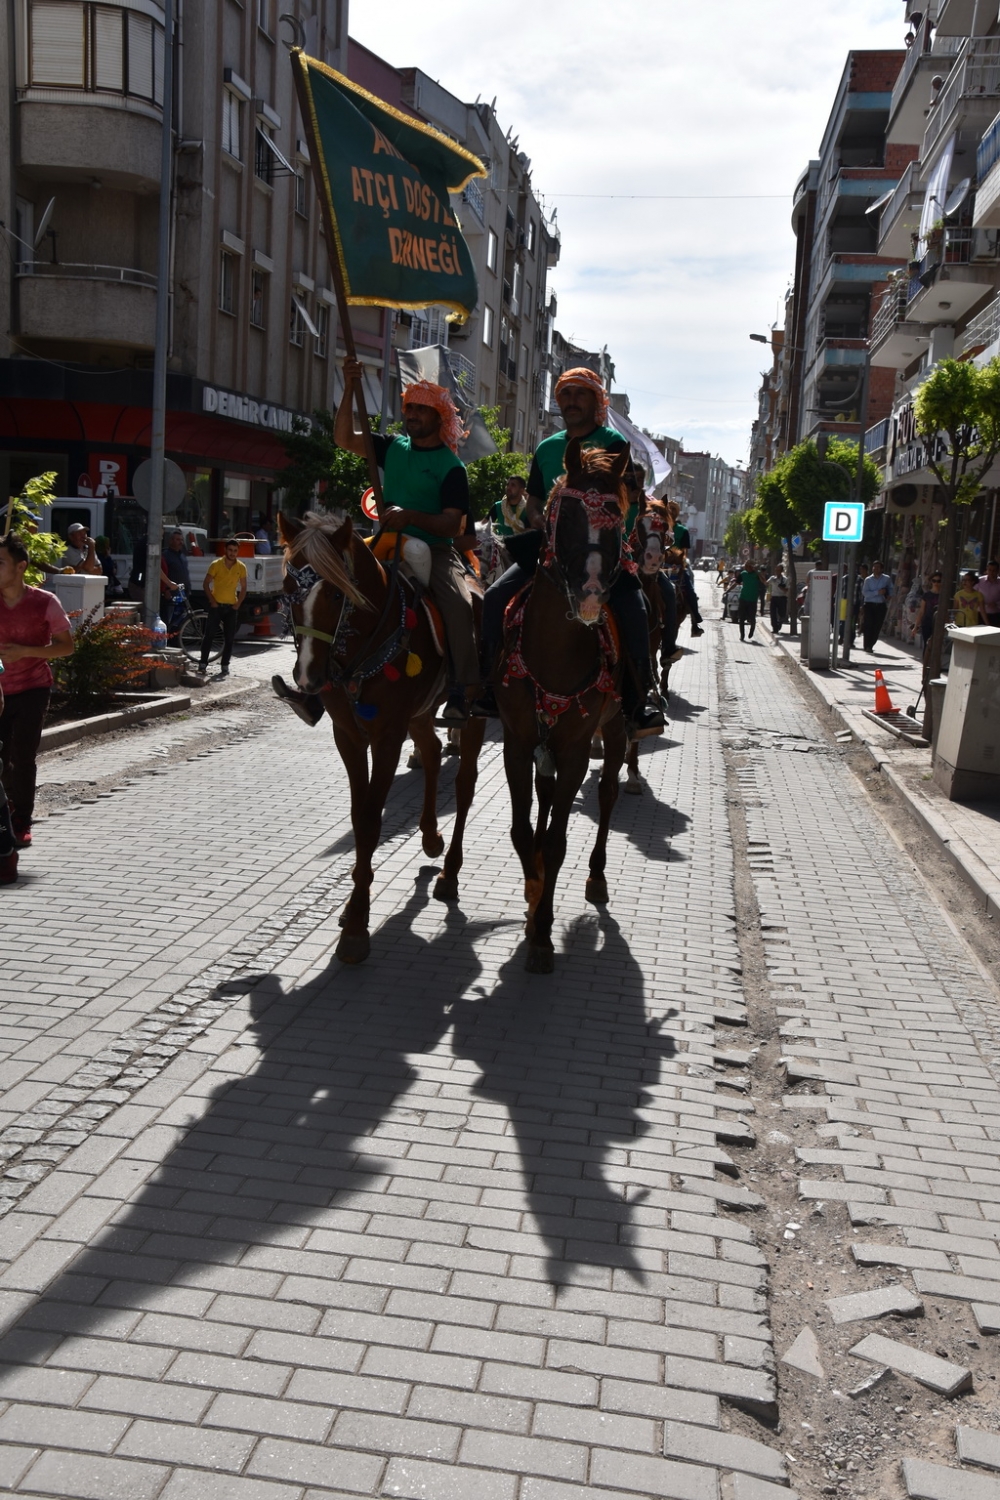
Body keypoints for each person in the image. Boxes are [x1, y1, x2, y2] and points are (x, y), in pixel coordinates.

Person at [472, 367, 663, 735]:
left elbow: (629, 503)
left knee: (635, 608)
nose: (571, 401)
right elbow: (534, 501)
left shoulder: (614, 445)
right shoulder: (546, 448)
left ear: (596, 401)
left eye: (581, 394)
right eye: (565, 394)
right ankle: (487, 687)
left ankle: (642, 698)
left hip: (603, 554)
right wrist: (539, 519)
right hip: (550, 551)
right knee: (495, 596)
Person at [336, 358, 478, 723]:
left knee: (461, 606)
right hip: (384, 542)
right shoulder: (392, 446)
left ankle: (462, 689)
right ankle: (319, 682)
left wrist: (411, 516)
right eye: (409, 407)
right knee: (328, 587)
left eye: (421, 409)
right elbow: (343, 439)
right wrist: (351, 386)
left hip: (434, 550)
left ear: (439, 417)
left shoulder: (452, 467)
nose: (412, 414)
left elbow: (451, 525)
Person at [0, 532, 74, 850]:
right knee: (1, 759)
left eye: (0, 562)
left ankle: (21, 821)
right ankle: (6, 812)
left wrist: (24, 652)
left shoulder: (44, 602)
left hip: (33, 687)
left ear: (20, 567)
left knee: (23, 755)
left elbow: (66, 647)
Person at [199, 538, 247, 678]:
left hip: (231, 607)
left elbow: (244, 587)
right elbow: (205, 584)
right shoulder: (216, 564)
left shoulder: (241, 567)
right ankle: (203, 663)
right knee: (209, 636)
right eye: (230, 550)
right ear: (225, 550)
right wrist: (212, 601)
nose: (232, 553)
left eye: (235, 551)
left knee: (230, 638)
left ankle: (225, 666)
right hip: (216, 606)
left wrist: (238, 604)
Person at [160, 529, 191, 641]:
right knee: (168, 620)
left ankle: (174, 640)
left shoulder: (182, 555)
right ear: (171, 541)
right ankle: (166, 640)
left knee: (179, 620)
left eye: (181, 540)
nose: (180, 542)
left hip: (182, 593)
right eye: (177, 540)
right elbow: (163, 574)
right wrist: (166, 590)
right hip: (170, 594)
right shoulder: (165, 556)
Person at [861, 559, 892, 652]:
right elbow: (865, 593)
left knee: (877, 626)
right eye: (874, 567)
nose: (876, 569)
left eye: (878, 567)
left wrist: (889, 595)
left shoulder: (886, 579)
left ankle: (871, 645)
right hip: (869, 605)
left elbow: (891, 589)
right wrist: (877, 592)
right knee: (868, 625)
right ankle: (867, 645)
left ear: (882, 569)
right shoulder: (868, 580)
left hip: (881, 605)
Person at [911, 572, 941, 656]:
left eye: (938, 581)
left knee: (937, 646)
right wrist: (915, 627)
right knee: (927, 644)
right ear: (931, 582)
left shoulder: (943, 596)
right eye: (934, 581)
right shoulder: (926, 595)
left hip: (939, 624)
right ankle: (925, 664)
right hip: (927, 622)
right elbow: (921, 611)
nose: (936, 583)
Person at [737, 564, 763, 641]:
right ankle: (742, 635)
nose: (747, 568)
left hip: (753, 599)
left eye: (749, 566)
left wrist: (758, 573)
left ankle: (752, 629)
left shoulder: (756, 574)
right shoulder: (743, 573)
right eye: (746, 566)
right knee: (741, 618)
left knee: (752, 618)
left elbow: (763, 581)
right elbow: (738, 582)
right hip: (743, 598)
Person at [95, 536, 125, 600]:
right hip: (103, 585)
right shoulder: (98, 557)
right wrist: (108, 557)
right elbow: (109, 569)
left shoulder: (100, 556)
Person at [977, 559, 1000, 627]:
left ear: (998, 571)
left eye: (994, 570)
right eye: (989, 570)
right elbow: (972, 594)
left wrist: (997, 604)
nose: (991, 573)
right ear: (987, 570)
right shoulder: (979, 581)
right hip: (980, 614)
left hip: (996, 614)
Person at [766, 565, 788, 635]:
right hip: (774, 598)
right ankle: (775, 628)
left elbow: (786, 590)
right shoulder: (772, 578)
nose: (777, 572)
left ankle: (779, 623)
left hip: (782, 598)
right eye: (776, 570)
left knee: (782, 614)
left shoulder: (785, 579)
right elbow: (767, 584)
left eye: (778, 570)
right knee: (773, 614)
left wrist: (781, 587)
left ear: (781, 571)